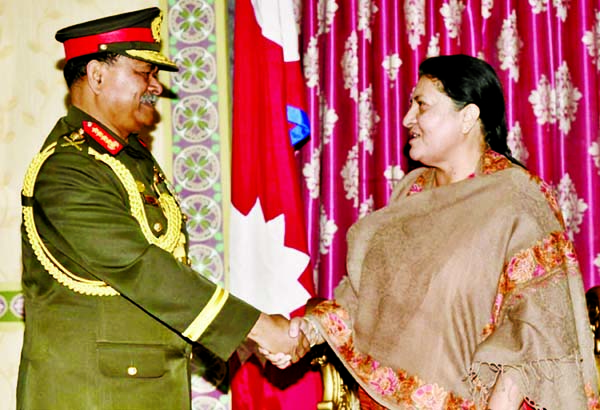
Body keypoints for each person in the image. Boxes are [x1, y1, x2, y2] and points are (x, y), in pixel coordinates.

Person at [266, 54, 600, 409]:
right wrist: (306, 333)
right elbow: (361, 299)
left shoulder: (516, 199)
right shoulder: (412, 192)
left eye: (421, 105)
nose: (408, 118)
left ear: (468, 116)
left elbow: (540, 326)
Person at [17, 7, 308, 410]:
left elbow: (159, 282)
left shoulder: (130, 160)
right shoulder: (68, 168)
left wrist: (238, 337)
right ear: (98, 76)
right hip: (90, 397)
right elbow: (139, 267)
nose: (155, 86)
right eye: (143, 71)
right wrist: (259, 328)